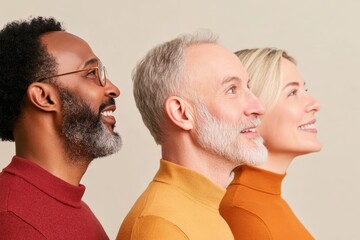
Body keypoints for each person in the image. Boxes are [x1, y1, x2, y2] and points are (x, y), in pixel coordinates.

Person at [116, 33, 267, 240]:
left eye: (246, 87)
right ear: (181, 113)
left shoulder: (204, 209)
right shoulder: (160, 225)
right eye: (231, 89)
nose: (259, 107)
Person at [0, 17, 121, 239]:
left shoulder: (71, 205)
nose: (114, 89)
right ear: (44, 97)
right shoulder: (14, 223)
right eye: (92, 73)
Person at [220, 48, 321, 240]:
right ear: (253, 110)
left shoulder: (261, 203)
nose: (314, 103)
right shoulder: (243, 214)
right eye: (292, 93)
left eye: (304, 90)